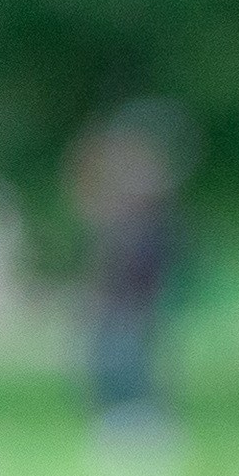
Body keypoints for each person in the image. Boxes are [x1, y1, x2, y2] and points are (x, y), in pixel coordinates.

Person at [69, 101, 191, 437]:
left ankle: (141, 425)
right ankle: (120, 424)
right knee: (110, 364)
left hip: (138, 302)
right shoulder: (117, 208)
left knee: (134, 365)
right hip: (115, 300)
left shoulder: (151, 209)